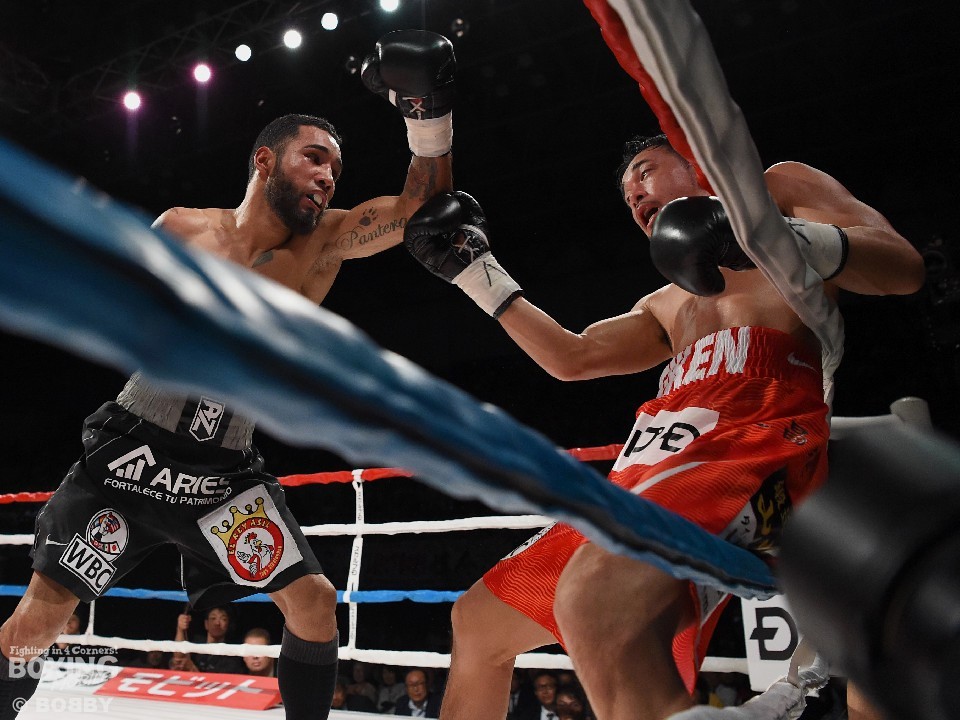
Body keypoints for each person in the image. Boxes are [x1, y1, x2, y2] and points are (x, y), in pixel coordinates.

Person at [0, 29, 455, 720]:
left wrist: (428, 116)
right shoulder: (182, 229)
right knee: (37, 621)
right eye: (314, 158)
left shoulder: (325, 245)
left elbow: (422, 210)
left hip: (220, 477)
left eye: (335, 167)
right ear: (265, 160)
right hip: (129, 460)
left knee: (314, 602)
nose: (328, 176)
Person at [401, 133, 924, 720]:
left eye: (646, 172)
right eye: (628, 195)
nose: (635, 196)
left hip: (754, 446)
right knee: (478, 620)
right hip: (649, 473)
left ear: (692, 158)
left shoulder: (774, 192)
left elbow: (903, 266)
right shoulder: (665, 304)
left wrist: (775, 238)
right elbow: (572, 357)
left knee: (596, 601)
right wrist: (477, 273)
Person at [173, 605, 244, 674]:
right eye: (213, 618)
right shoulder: (196, 642)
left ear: (228, 625)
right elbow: (178, 658)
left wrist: (192, 668)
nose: (217, 623)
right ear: (206, 624)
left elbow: (218, 680)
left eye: (223, 619)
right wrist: (180, 629)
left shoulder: (232, 653)